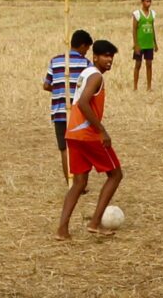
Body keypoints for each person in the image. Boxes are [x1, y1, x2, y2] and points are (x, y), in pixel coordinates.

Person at [55, 39, 123, 240]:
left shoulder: (85, 73)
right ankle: (95, 222)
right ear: (95, 57)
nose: (109, 60)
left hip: (73, 133)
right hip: (87, 134)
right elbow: (84, 103)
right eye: (105, 56)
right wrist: (101, 130)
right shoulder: (95, 77)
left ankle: (62, 230)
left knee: (79, 182)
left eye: (111, 56)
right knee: (116, 174)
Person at [45, 30, 93, 178]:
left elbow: (46, 85)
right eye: (87, 49)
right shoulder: (86, 64)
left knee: (64, 148)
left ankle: (70, 181)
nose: (86, 52)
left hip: (59, 112)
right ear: (83, 45)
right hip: (79, 113)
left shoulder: (55, 61)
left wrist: (61, 89)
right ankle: (80, 181)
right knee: (80, 147)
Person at [130, 0, 159, 91]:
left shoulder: (152, 14)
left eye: (150, 1)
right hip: (140, 44)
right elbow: (134, 29)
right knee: (138, 64)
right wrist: (136, 44)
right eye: (146, 1)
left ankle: (149, 86)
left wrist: (155, 43)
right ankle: (135, 86)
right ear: (142, 2)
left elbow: (152, 28)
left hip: (149, 44)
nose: (148, 3)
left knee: (149, 64)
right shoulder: (137, 14)